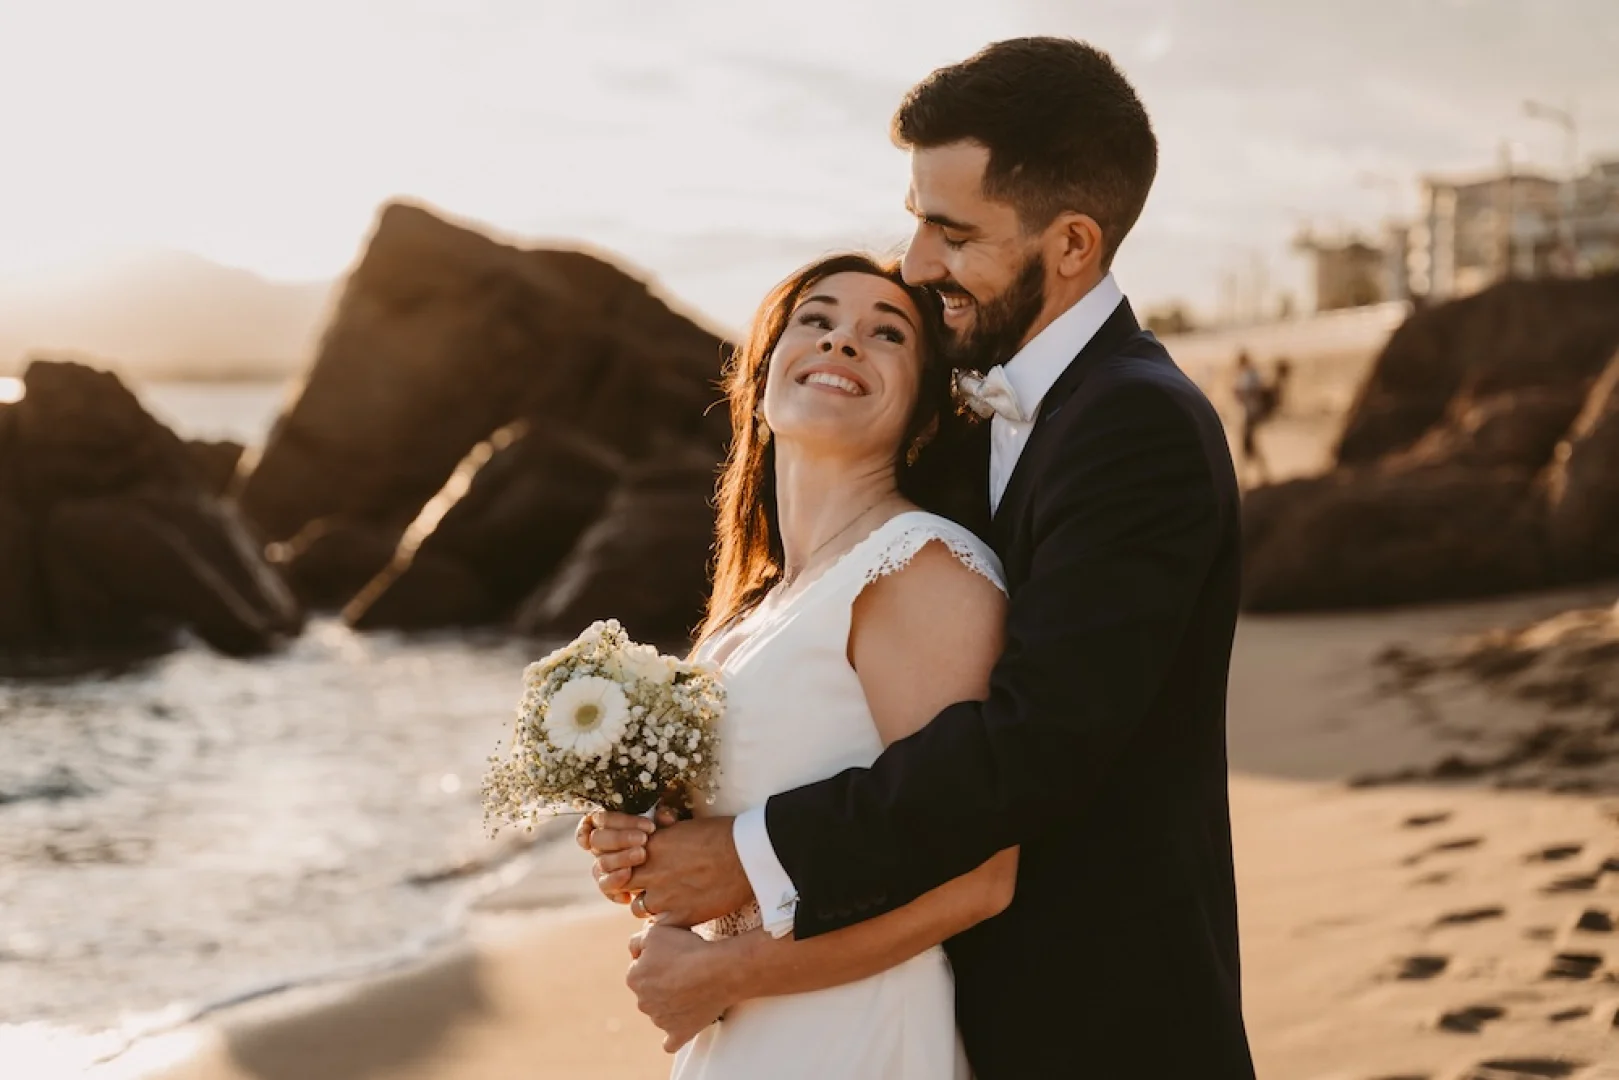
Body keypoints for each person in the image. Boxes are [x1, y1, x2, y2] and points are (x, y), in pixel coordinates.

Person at [584, 37, 1256, 1079]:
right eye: (914, 220)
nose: (914, 262)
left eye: (949, 230)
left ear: (1071, 243)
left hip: (1099, 1022)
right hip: (944, 1016)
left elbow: (1037, 746)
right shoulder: (968, 431)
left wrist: (748, 859)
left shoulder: (1139, 427)